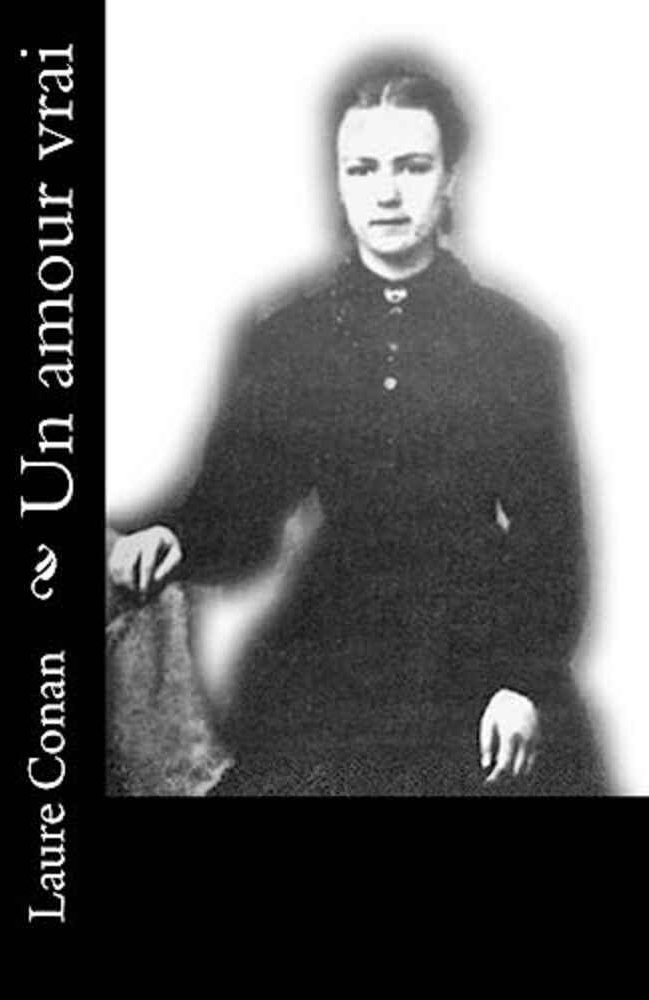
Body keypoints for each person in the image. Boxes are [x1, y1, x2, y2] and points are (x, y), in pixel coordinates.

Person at [108, 51, 595, 795]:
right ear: (339, 183)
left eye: (412, 167)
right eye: (363, 169)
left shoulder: (515, 342)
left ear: (450, 178)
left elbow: (552, 538)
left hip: (477, 650)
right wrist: (176, 534)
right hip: (331, 640)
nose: (387, 193)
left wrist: (522, 682)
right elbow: (241, 510)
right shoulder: (288, 336)